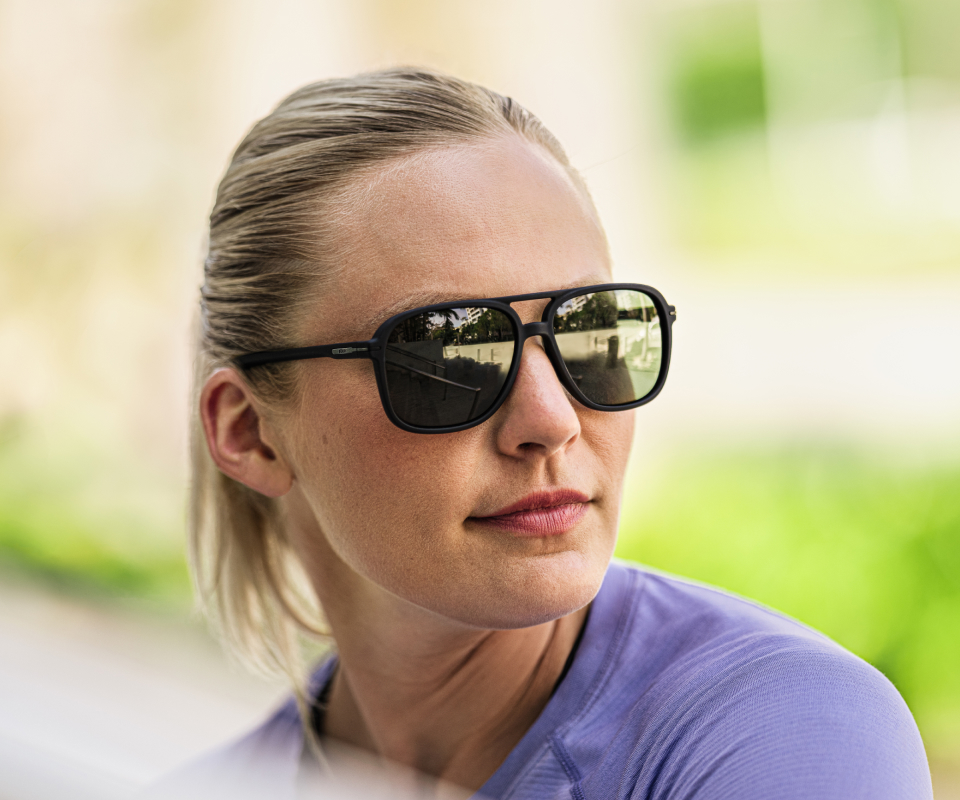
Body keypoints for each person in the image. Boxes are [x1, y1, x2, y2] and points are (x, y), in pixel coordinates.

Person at [163, 68, 932, 799]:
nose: (551, 420)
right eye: (448, 352)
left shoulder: (783, 730)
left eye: (591, 330)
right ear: (250, 434)